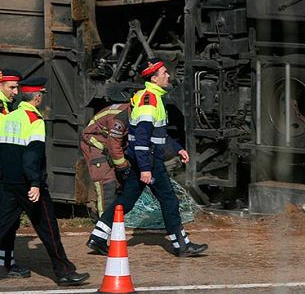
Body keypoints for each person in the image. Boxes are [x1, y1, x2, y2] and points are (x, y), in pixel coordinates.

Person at [87, 58, 208, 256]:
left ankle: (98, 236)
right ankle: (181, 245)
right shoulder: (150, 102)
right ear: (154, 78)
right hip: (150, 161)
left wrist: (177, 149)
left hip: (144, 160)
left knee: (126, 200)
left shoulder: (150, 97)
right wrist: (145, 168)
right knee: (169, 200)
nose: (168, 75)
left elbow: (157, 134)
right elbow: (142, 140)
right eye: (164, 73)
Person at [0, 77, 89, 286]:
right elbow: (33, 156)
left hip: (7, 183)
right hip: (27, 185)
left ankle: (64, 269)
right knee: (48, 228)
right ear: (37, 97)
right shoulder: (35, 120)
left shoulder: (9, 117)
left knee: (3, 225)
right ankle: (64, 272)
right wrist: (35, 183)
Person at [79, 102, 132, 218]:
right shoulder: (119, 117)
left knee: (117, 182)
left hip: (110, 143)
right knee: (106, 182)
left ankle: (101, 213)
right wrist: (123, 166)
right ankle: (104, 222)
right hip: (95, 143)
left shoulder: (134, 112)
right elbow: (114, 144)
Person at [0, 69, 29, 279]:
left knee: (9, 220)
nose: (16, 92)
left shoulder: (7, 107)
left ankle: (6, 262)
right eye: (12, 87)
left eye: (17, 87)